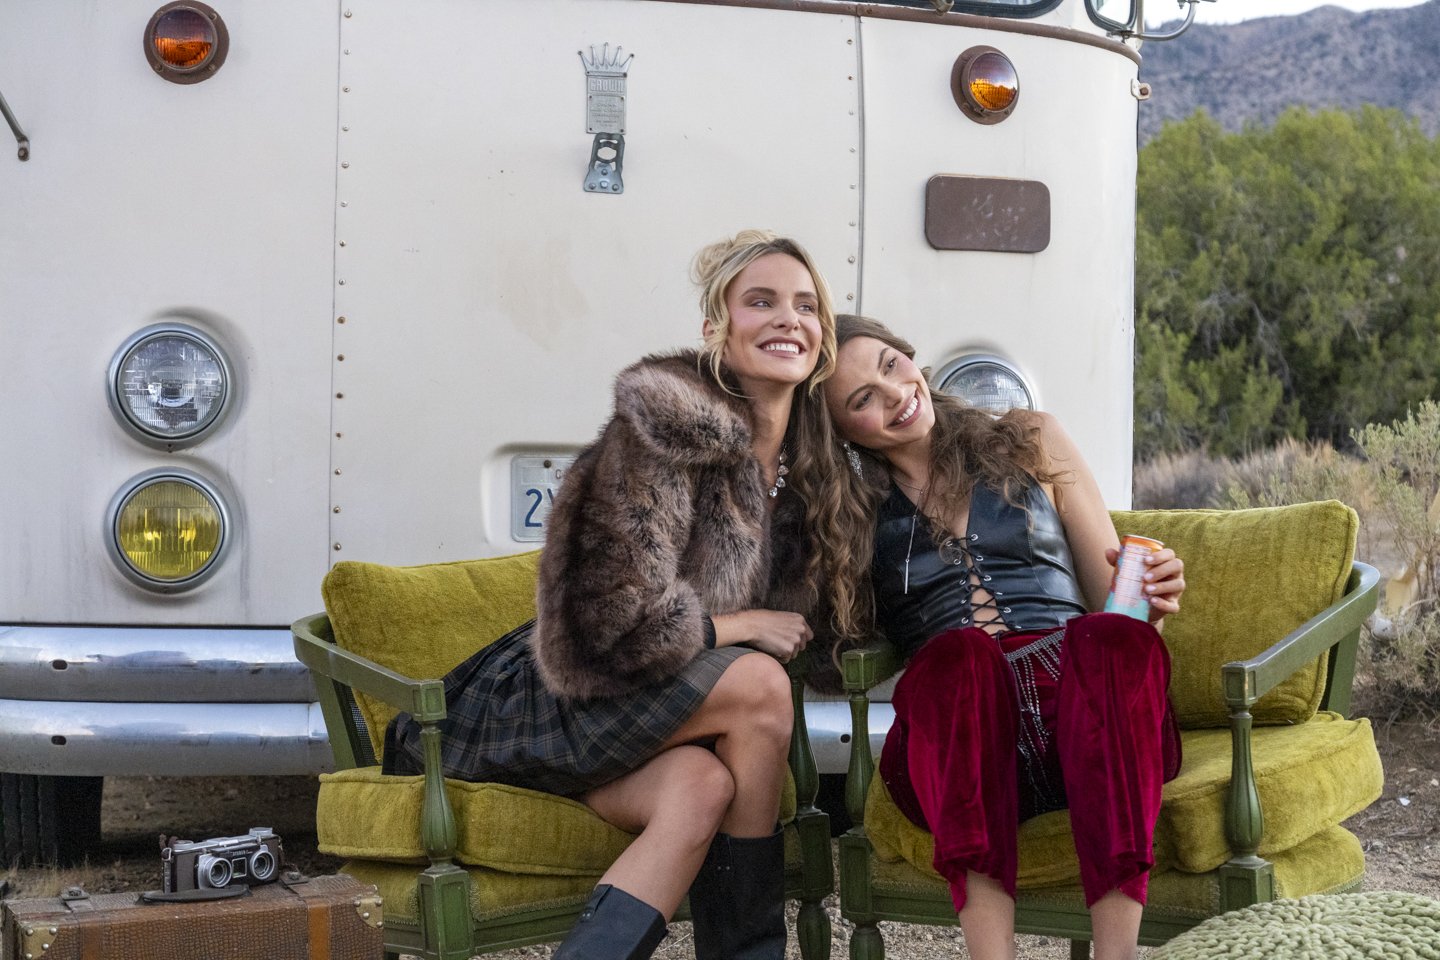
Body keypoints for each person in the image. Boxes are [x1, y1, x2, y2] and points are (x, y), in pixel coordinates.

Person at [385, 230, 845, 960]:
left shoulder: (812, 467)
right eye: (761, 302)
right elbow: (606, 625)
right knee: (759, 685)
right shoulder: (662, 436)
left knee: (700, 785)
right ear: (716, 328)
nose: (789, 318)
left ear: (823, 337)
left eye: (806, 305)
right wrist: (743, 624)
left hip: (650, 723)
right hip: (556, 699)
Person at [809, 314, 1187, 960]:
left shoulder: (1030, 439)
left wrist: (1152, 597)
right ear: (842, 431)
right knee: (959, 657)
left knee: (1109, 641)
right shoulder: (851, 517)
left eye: (891, 366)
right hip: (961, 732)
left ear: (909, 356)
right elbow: (828, 648)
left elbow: (1117, 608)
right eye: (863, 399)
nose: (895, 395)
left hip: (1078, 717)